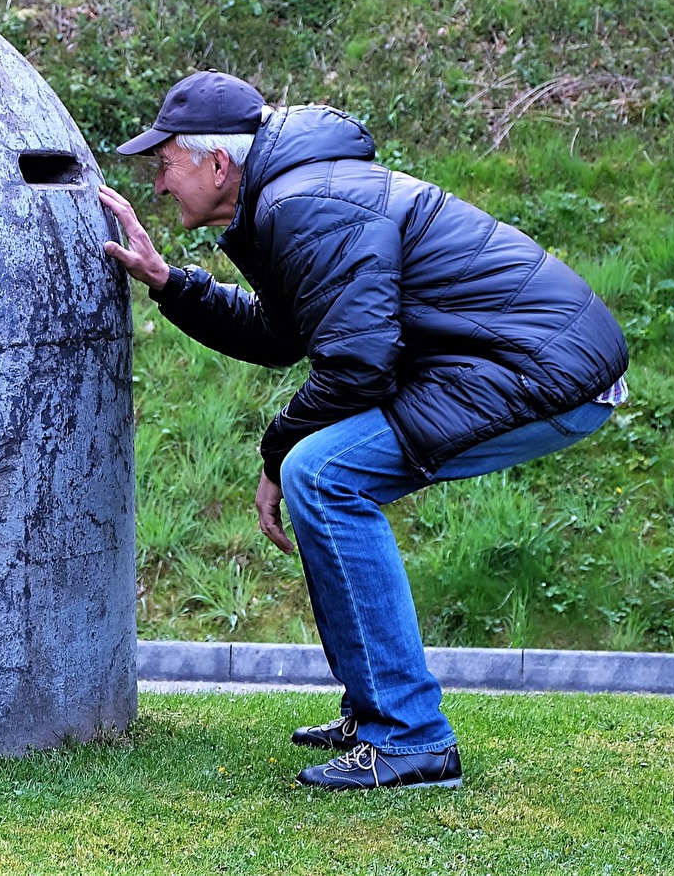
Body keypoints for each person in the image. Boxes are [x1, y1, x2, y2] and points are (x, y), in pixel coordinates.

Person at [99, 70, 628, 790]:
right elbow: (282, 333)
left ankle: (409, 734)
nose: (159, 186)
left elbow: (356, 367)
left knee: (323, 473)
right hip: (518, 363)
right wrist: (172, 283)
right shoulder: (291, 198)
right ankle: (375, 710)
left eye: (164, 165)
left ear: (217, 163)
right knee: (323, 471)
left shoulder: (308, 202)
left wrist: (277, 451)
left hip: (541, 368)